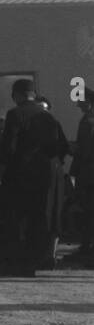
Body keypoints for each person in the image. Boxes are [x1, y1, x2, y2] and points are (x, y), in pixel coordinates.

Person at [0, 77, 69, 276]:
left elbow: (9, 146)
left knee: (17, 219)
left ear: (16, 95)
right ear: (34, 95)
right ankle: (33, 261)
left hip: (20, 175)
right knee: (37, 219)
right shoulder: (48, 117)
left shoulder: (15, 114)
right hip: (46, 177)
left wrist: (2, 170)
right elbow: (62, 146)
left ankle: (17, 264)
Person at [62, 84, 94, 267]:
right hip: (86, 173)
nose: (78, 105)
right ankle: (87, 244)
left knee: (89, 209)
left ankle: (88, 245)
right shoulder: (86, 120)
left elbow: (86, 149)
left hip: (88, 173)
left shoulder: (88, 121)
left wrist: (74, 149)